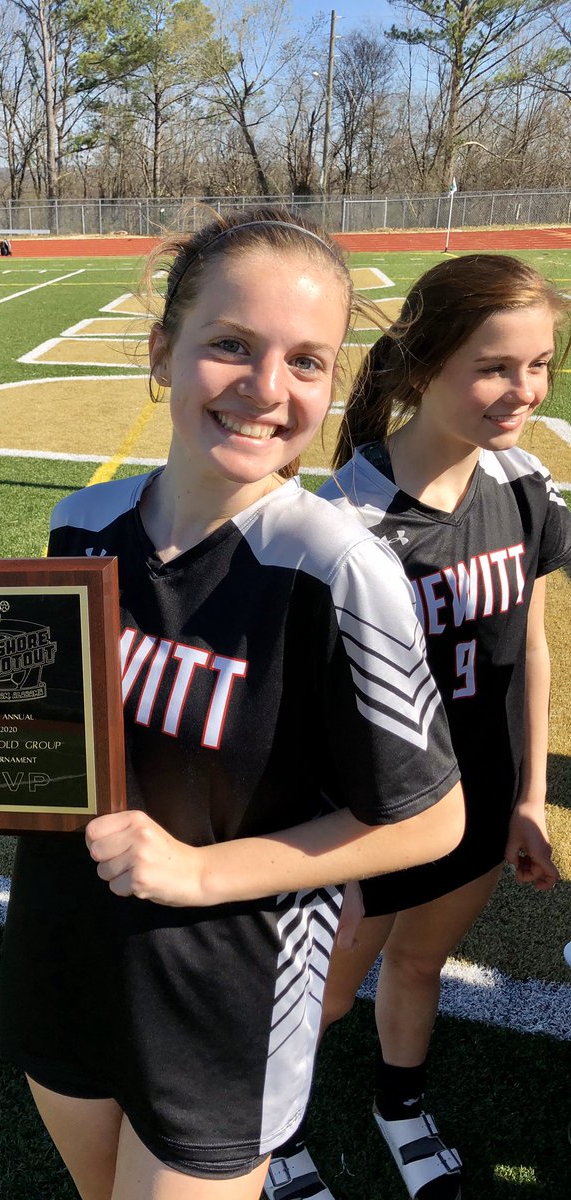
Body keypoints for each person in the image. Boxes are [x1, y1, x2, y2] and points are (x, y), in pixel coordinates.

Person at [0, 208, 465, 1200]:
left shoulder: (337, 568)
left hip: (223, 995)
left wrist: (200, 872)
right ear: (161, 351)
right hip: (63, 952)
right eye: (230, 345)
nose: (266, 389)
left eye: (307, 362)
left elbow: (431, 819)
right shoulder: (83, 523)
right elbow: (64, 723)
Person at [266, 254, 571, 1200]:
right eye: (494, 367)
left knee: (423, 965)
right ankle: (269, 1138)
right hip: (377, 824)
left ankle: (398, 1105)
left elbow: (532, 642)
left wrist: (527, 797)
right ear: (420, 367)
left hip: (479, 810)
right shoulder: (345, 523)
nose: (522, 391)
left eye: (542, 366)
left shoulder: (525, 485)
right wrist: (340, 860)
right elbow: (309, 717)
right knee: (323, 996)